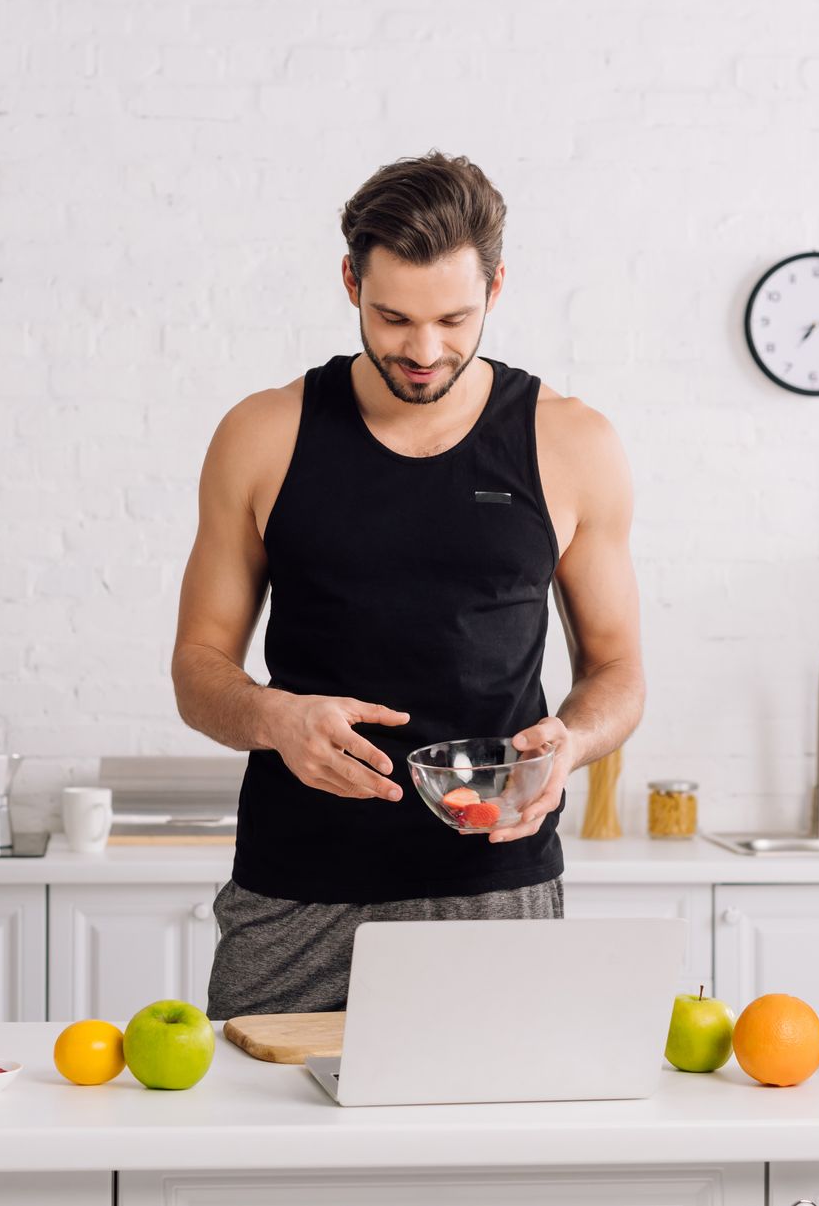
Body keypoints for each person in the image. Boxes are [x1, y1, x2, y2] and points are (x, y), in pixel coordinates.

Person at [171, 151, 644, 1018]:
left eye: (454, 319)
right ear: (350, 280)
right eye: (392, 317)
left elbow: (618, 672)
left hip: (493, 892)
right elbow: (198, 671)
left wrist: (571, 743)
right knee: (254, 1149)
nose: (425, 351)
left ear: (497, 288)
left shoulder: (572, 444)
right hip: (292, 896)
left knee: (483, 1150)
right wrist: (274, 717)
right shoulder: (262, 434)